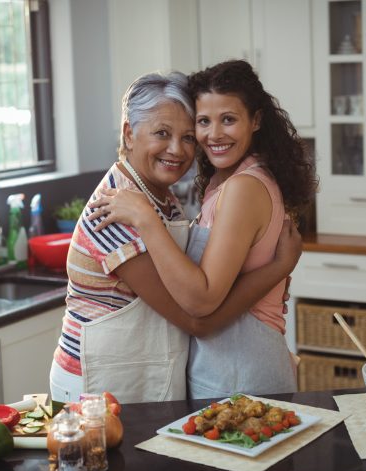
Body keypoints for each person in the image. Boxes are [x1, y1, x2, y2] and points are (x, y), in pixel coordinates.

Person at [49, 70, 302, 405]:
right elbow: (196, 318)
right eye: (162, 133)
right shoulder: (115, 210)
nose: (177, 150)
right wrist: (277, 268)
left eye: (186, 137)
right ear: (129, 134)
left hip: (139, 374)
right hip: (97, 382)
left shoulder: (162, 199)